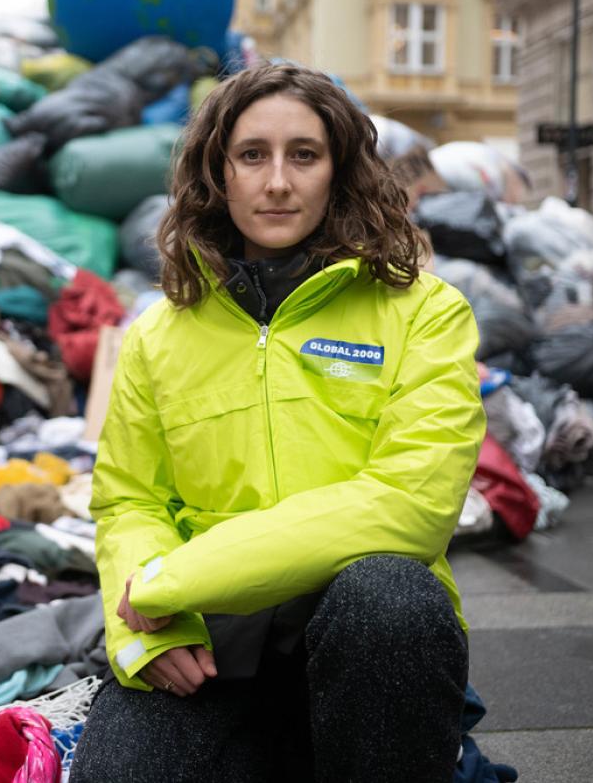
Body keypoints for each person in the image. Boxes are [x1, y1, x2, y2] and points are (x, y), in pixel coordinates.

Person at [71, 63, 486, 782]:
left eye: (304, 154)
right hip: (207, 640)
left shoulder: (425, 311)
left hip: (359, 637)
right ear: (217, 172)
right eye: (252, 155)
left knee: (392, 598)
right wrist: (142, 633)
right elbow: (128, 500)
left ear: (340, 171)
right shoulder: (156, 334)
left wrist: (172, 580)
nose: (277, 182)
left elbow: (410, 502)